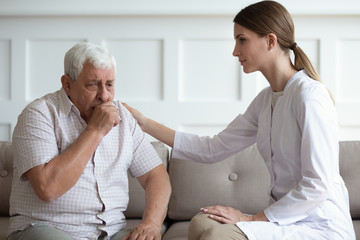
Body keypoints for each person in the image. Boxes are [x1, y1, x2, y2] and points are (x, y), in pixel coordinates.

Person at [123, 1, 356, 239]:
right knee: (203, 221)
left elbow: (317, 186)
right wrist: (142, 122)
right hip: (283, 221)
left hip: (319, 225)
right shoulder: (266, 101)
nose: (235, 51)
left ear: (270, 41)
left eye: (242, 39)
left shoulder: (309, 96)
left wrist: (252, 219)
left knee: (216, 234)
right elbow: (211, 149)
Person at [7, 42, 171, 240]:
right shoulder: (38, 114)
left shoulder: (124, 118)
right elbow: (48, 188)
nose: (104, 95)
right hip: (46, 227)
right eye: (93, 85)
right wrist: (95, 130)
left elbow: (156, 176)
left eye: (109, 84)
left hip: (110, 231)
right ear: (67, 84)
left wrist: (151, 224)